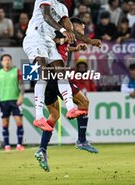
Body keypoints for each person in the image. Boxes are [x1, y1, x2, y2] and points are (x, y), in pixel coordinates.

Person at [22, 0, 95, 131]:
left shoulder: (62, 8)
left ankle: (70, 107)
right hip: (35, 38)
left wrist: (78, 35)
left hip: (47, 42)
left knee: (61, 71)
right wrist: (63, 31)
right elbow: (47, 16)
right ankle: (38, 117)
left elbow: (68, 24)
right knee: (43, 73)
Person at [35, 17, 100, 172]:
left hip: (48, 78)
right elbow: (51, 41)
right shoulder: (60, 32)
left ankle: (42, 150)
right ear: (74, 25)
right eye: (82, 28)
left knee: (54, 116)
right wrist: (63, 40)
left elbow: (59, 47)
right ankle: (82, 140)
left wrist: (74, 49)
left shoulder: (66, 37)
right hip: (56, 76)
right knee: (84, 103)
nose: (83, 31)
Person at [0, 54, 25, 152]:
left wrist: (21, 96)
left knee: (19, 122)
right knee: (5, 123)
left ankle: (19, 145)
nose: (7, 61)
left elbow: (21, 85)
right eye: (5, 60)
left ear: (11, 61)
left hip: (15, 100)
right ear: (1, 62)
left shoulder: (16, 71)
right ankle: (7, 146)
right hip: (3, 101)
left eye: (8, 59)